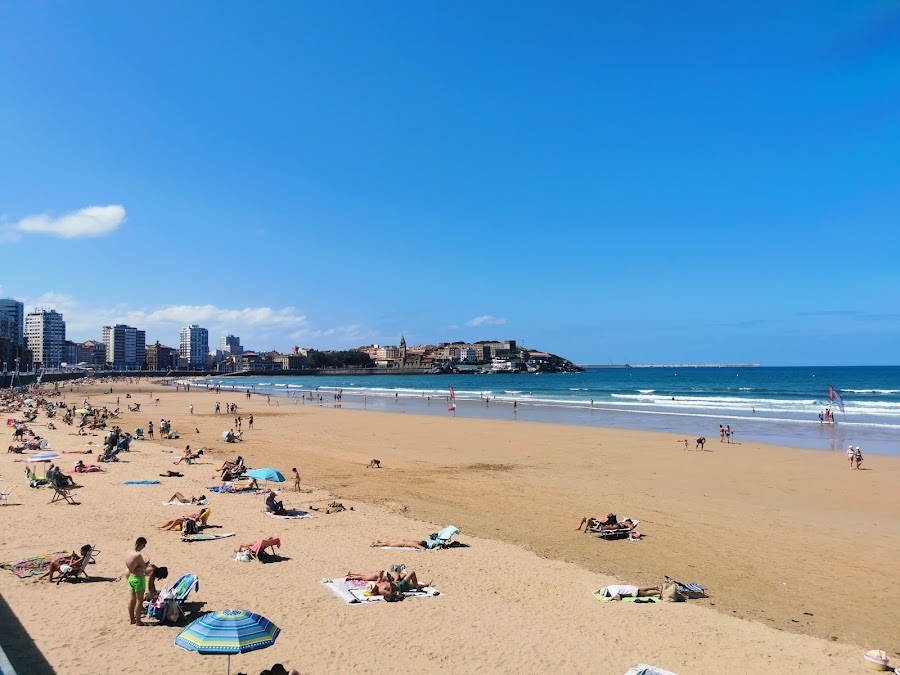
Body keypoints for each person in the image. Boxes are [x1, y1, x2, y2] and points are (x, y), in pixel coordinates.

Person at [346, 569, 431, 594]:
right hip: (399, 587)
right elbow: (390, 593)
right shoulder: (381, 590)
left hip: (398, 584)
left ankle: (424, 585)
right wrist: (391, 583)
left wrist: (381, 574)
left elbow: (379, 579)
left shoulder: (377, 585)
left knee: (411, 585)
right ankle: (418, 589)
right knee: (412, 573)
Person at [126, 537, 150, 625]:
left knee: (132, 600)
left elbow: (130, 564)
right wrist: (148, 561)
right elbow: (145, 566)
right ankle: (138, 621)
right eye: (143, 546)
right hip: (139, 579)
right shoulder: (138, 555)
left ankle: (132, 619)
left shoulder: (129, 552)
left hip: (131, 577)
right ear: (141, 544)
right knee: (139, 601)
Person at [596, 584, 660, 601]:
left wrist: (611, 598)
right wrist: (597, 592)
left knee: (646, 593)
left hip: (631, 592)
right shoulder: (609, 587)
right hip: (629, 587)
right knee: (640, 589)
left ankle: (659, 592)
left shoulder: (613, 592)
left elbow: (619, 598)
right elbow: (600, 590)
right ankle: (654, 587)